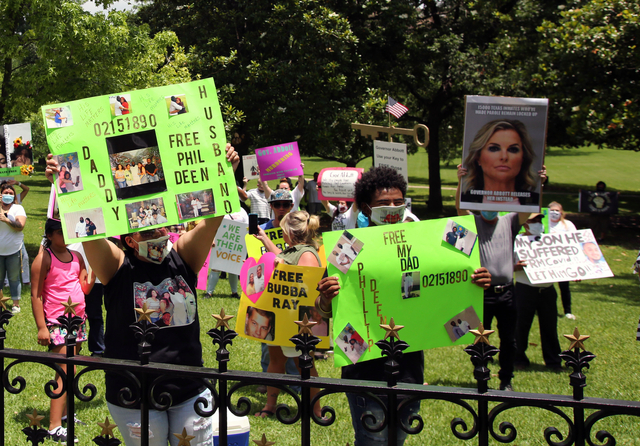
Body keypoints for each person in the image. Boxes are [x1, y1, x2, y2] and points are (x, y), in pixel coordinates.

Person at [45, 143, 241, 446]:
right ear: (129, 240)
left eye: (160, 227)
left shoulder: (184, 256)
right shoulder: (117, 266)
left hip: (189, 391)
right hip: (132, 393)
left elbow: (213, 216)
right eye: (147, 231)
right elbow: (89, 232)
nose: (158, 235)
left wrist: (224, 170)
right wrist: (66, 187)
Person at [318, 166, 491, 444]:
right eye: (384, 203)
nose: (393, 208)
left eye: (399, 202)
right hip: (364, 366)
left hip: (409, 366)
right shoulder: (348, 245)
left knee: (398, 439)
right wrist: (326, 297)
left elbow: (452, 278)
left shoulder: (422, 239)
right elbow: (323, 310)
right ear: (365, 208)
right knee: (371, 440)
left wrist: (475, 282)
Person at [457, 162, 545, 391]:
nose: (490, 208)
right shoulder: (473, 223)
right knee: (479, 337)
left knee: (509, 339)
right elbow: (459, 209)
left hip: (507, 292)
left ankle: (506, 379)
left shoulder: (509, 221)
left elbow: (529, 207)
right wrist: (461, 182)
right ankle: (481, 373)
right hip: (481, 293)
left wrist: (538, 182)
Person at [252, 210, 322, 418]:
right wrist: (265, 240)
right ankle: (269, 406)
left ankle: (316, 411)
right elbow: (282, 257)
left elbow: (304, 286)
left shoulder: (307, 254)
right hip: (281, 316)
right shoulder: (294, 251)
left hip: (299, 321)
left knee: (304, 365)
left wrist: (280, 268)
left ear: (289, 232)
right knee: (276, 361)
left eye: (282, 230)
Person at [31, 217, 94, 442]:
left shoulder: (77, 256)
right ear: (49, 235)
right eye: (59, 231)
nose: (65, 234)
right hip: (57, 323)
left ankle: (65, 415)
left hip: (77, 322)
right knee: (63, 372)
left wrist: (94, 267)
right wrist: (42, 327)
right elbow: (36, 295)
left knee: (72, 370)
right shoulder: (43, 258)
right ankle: (54, 425)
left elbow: (85, 287)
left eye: (67, 230)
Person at [513, 214, 562, 372]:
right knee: (521, 326)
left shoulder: (550, 241)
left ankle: (553, 361)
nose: (538, 224)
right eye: (533, 221)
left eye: (539, 220)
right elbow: (503, 264)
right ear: (524, 224)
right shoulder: (515, 241)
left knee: (550, 327)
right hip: (525, 288)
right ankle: (518, 358)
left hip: (547, 290)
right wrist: (515, 267)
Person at [460, 119, 540, 207]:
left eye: (513, 149)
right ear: (478, 157)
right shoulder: (465, 200)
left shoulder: (535, 201)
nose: (504, 157)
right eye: (494, 149)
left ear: (523, 158)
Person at [0, 182, 27, 313]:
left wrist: (7, 220)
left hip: (14, 249)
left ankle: (16, 304)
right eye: (6, 193)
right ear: (0, 194)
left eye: (11, 193)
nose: (8, 195)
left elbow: (20, 226)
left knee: (14, 278)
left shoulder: (18, 208)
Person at [205, 209, 247, 297]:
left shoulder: (242, 211)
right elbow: (212, 225)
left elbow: (247, 227)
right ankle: (209, 292)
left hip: (236, 243)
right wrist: (212, 238)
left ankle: (234, 292)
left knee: (233, 268)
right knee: (216, 267)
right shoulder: (219, 209)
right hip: (220, 242)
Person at [548, 202, 577, 319]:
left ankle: (567, 311)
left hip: (563, 261)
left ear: (561, 212)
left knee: (564, 288)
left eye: (557, 210)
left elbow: (575, 242)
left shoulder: (568, 225)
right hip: (548, 261)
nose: (555, 213)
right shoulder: (544, 223)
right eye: (552, 210)